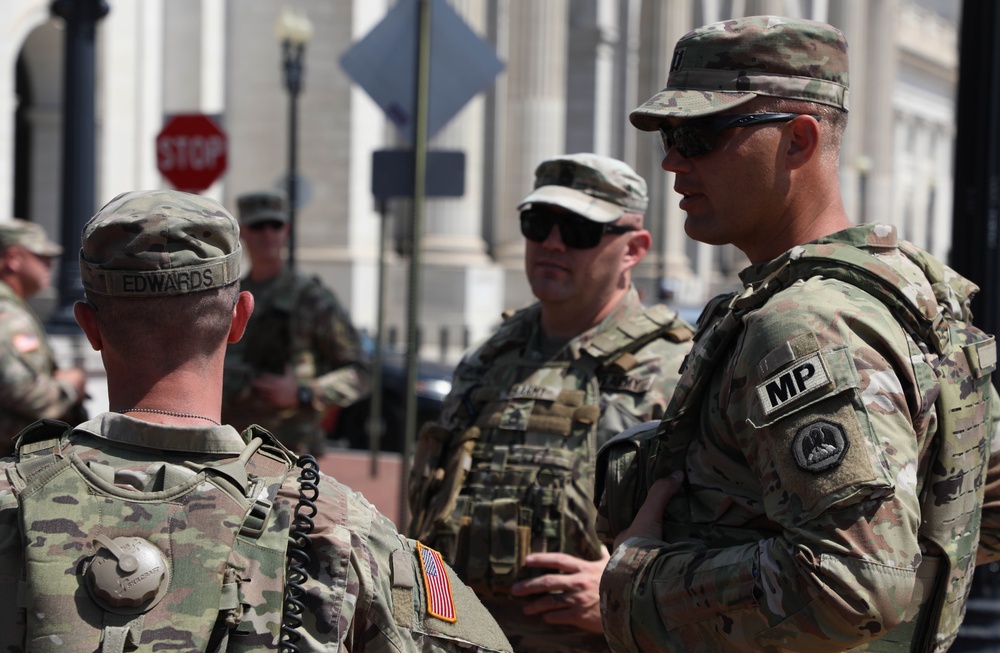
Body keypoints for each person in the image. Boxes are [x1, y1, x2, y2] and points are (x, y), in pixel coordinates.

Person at [596, 16, 1000, 653]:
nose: (672, 160)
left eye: (700, 134)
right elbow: (981, 505)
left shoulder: (807, 324)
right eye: (670, 136)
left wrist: (641, 581)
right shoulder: (906, 294)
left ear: (800, 139)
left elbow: (854, 585)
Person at [0, 189, 513, 653]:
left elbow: (356, 368)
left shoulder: (12, 498)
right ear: (240, 317)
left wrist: (306, 392)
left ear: (89, 327)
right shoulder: (340, 529)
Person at [408, 153, 695, 652]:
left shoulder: (676, 368)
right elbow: (437, 503)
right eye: (537, 224)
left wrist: (627, 590)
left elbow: (722, 535)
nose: (552, 244)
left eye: (579, 230)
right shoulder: (489, 357)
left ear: (634, 249)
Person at [222, 189, 370, 457]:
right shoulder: (232, 296)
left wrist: (304, 393)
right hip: (233, 447)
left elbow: (361, 372)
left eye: (275, 225)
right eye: (258, 226)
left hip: (289, 451)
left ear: (286, 230)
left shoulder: (310, 299)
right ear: (243, 232)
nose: (267, 233)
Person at [0, 219, 86, 456]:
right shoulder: (7, 314)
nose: (49, 264)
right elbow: (23, 392)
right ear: (13, 258)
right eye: (40, 256)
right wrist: (70, 385)